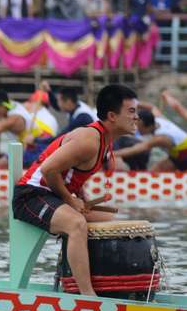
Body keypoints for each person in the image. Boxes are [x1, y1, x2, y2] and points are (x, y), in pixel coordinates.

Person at [13, 84, 139, 296]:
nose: (137, 117)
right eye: (132, 111)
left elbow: (73, 175)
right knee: (76, 224)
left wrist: (82, 198)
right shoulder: (89, 140)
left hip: (52, 195)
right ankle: (88, 296)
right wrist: (71, 201)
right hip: (30, 196)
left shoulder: (104, 141)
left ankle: (105, 285)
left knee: (110, 221)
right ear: (112, 116)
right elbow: (48, 170)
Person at [114, 107, 187, 171]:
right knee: (153, 172)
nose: (136, 129)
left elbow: (136, 149)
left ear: (146, 126)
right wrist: (135, 104)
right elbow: (152, 107)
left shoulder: (160, 138)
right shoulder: (158, 118)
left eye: (138, 127)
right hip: (178, 155)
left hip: (183, 156)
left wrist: (113, 154)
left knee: (154, 174)